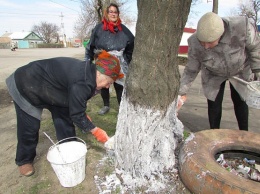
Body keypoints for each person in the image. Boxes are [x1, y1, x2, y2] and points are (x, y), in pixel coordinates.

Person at [6, 50, 123, 177]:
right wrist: (95, 131)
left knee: (64, 117)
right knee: (29, 127)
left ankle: (69, 148)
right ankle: (24, 160)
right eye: (109, 82)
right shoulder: (83, 81)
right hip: (27, 84)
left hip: (53, 89)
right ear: (100, 73)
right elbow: (77, 113)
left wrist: (81, 115)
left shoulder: (89, 74)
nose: (107, 87)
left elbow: (76, 106)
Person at [178, 12, 260, 131]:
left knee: (240, 101)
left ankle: (244, 134)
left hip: (240, 70)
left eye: (210, 42)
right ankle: (214, 134)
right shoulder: (194, 42)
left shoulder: (242, 27)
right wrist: (181, 92)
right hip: (213, 73)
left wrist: (258, 72)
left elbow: (256, 49)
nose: (205, 46)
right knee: (214, 103)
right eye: (202, 42)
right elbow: (191, 69)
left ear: (221, 35)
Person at [85, 3, 135, 115]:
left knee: (119, 86)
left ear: (118, 14)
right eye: (111, 11)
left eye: (115, 12)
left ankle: (121, 109)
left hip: (118, 62)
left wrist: (126, 60)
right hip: (102, 61)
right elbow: (91, 45)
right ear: (107, 14)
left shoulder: (124, 30)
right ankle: (106, 105)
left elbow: (131, 45)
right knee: (103, 85)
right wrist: (88, 60)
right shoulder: (98, 28)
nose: (113, 14)